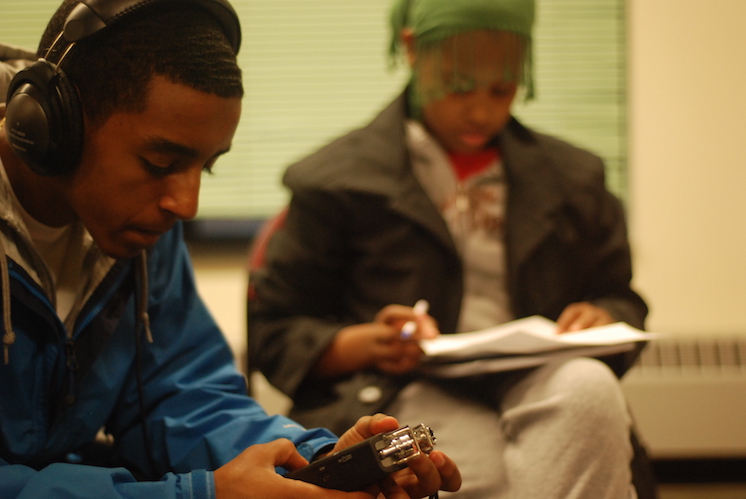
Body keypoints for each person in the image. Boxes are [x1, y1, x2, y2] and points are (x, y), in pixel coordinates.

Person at [0, 1, 461, 498]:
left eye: (206, 167)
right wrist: (199, 494)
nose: (186, 204)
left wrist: (316, 463)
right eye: (160, 163)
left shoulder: (137, 226)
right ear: (51, 126)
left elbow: (183, 395)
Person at [248, 0, 652, 497]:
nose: (481, 112)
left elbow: (622, 298)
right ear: (412, 50)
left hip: (544, 374)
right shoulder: (335, 182)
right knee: (461, 467)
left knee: (589, 389)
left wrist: (603, 317)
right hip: (405, 386)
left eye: (502, 90)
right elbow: (275, 329)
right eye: (458, 86)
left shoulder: (575, 179)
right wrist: (366, 343)